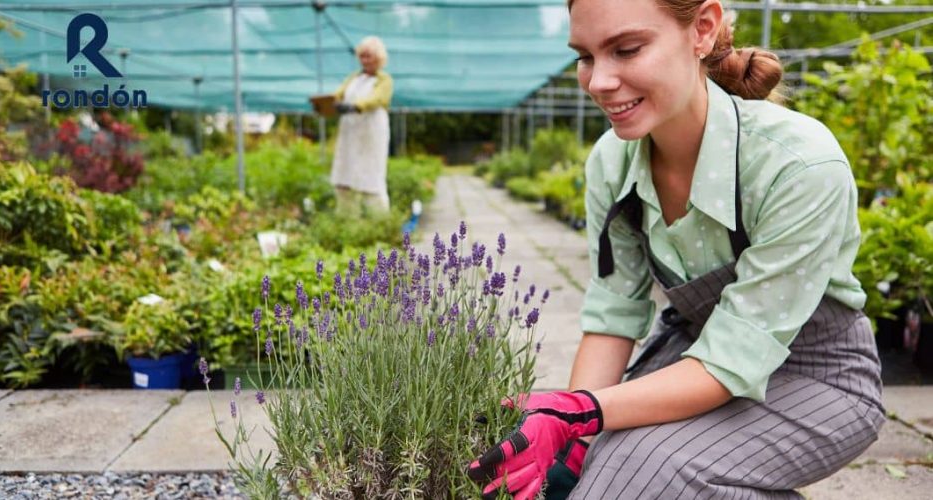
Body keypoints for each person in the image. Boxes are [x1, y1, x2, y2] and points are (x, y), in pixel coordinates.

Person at [467, 0, 885, 499]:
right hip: (692, 357)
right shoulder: (612, 162)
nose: (598, 81)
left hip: (819, 378)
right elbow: (613, 316)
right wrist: (573, 432)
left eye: (626, 49)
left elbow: (734, 356)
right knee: (584, 469)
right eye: (584, 56)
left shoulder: (797, 164)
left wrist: (579, 412)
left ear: (702, 30)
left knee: (635, 470)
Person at [330, 35, 394, 217]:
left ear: (379, 58)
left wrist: (355, 106)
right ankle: (347, 220)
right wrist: (330, 104)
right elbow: (338, 95)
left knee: (371, 177)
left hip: (371, 131)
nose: (364, 60)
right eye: (362, 56)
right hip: (350, 131)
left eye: (369, 56)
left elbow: (377, 99)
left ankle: (381, 222)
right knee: (344, 175)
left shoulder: (384, 80)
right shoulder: (353, 78)